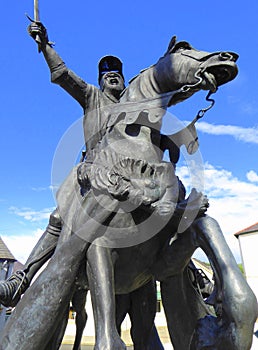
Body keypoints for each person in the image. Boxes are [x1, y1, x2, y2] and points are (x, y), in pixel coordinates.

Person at [0, 21, 125, 307]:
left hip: (131, 175)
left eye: (117, 74)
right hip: (94, 174)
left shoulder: (134, 104)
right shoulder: (92, 96)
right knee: (59, 217)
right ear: (101, 80)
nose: (112, 77)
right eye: (107, 75)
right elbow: (63, 74)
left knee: (167, 210)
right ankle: (22, 280)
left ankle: (192, 273)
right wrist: (45, 46)